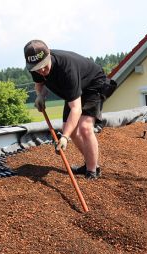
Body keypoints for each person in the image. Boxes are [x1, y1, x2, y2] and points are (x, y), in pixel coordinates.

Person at [24, 39, 105, 180]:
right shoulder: (36, 67)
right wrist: (40, 96)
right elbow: (40, 84)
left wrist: (64, 137)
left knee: (85, 127)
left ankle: (92, 172)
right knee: (71, 129)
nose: (41, 71)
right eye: (37, 68)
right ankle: (90, 164)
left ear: (48, 55)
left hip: (93, 84)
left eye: (44, 66)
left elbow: (76, 109)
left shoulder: (67, 68)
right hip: (73, 91)